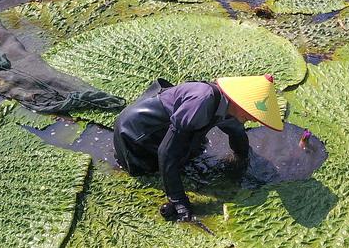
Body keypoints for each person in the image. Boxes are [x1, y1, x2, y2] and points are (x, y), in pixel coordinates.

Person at [113, 74, 284, 222]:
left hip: (165, 126)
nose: (253, 119)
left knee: (194, 147)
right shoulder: (203, 101)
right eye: (251, 113)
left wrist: (242, 157)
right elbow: (166, 152)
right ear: (239, 101)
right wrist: (178, 200)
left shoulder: (230, 107)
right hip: (136, 134)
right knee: (157, 165)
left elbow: (237, 133)